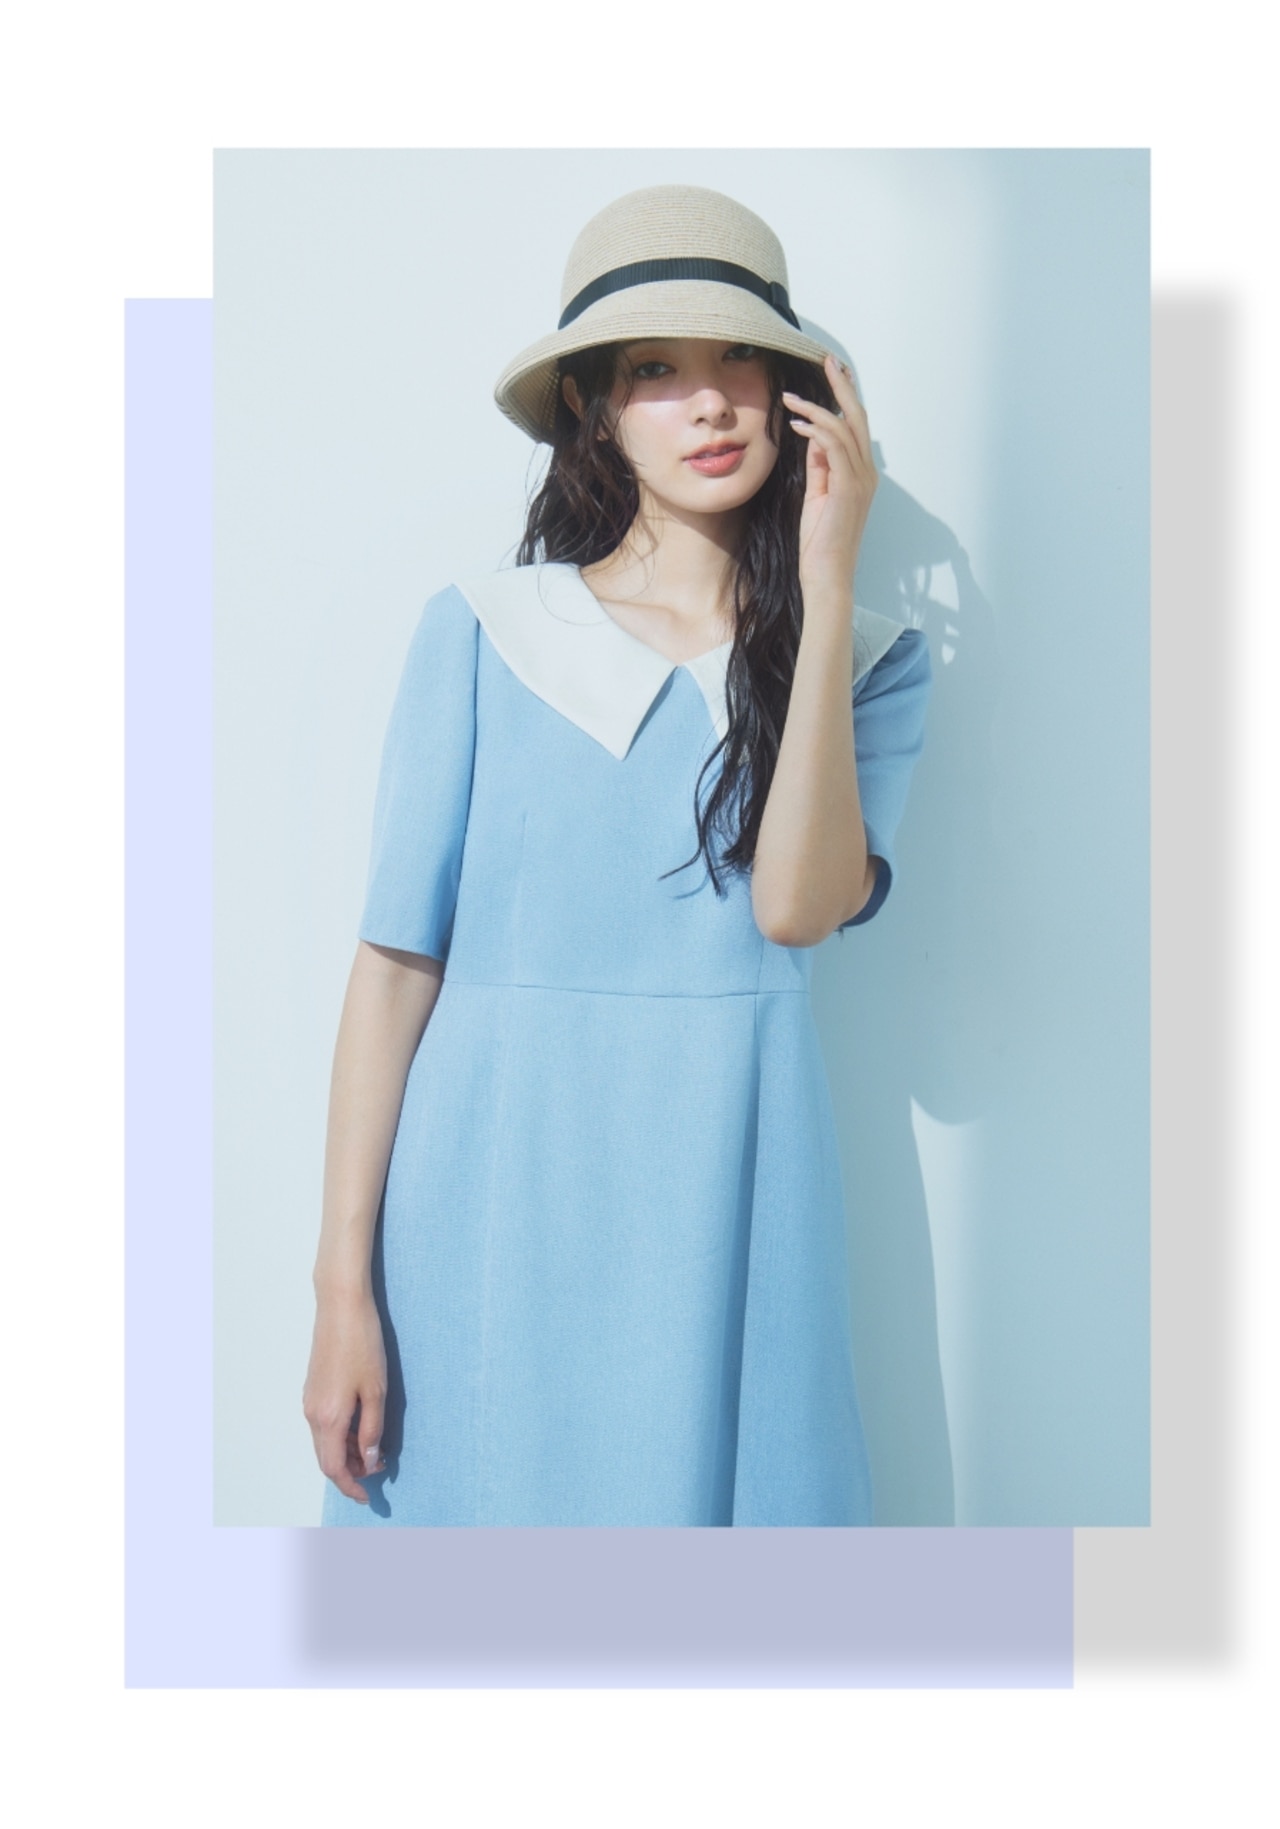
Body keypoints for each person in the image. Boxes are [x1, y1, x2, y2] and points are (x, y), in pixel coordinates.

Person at [303, 183, 933, 1527]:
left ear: (795, 396)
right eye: (655, 370)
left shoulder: (871, 663)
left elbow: (794, 908)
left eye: (739, 360)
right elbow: (395, 968)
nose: (710, 405)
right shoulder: (483, 632)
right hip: (491, 1204)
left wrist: (827, 587)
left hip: (736, 1205)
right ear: (591, 405)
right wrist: (341, 1287)